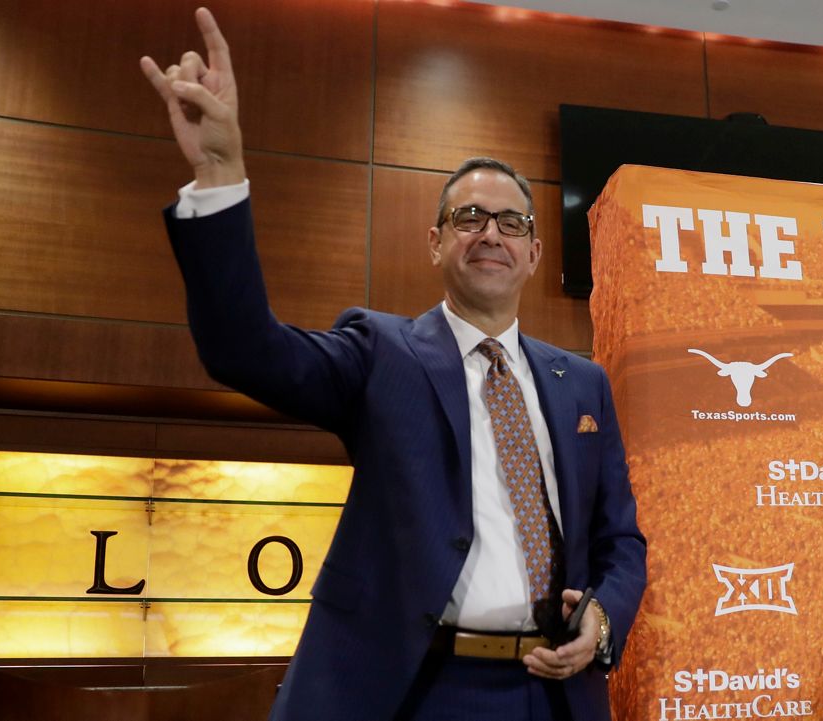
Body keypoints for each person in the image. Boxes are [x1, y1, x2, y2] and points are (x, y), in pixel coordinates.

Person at [139, 8, 646, 721]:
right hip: (417, 691)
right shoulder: (382, 354)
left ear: (535, 253)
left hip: (556, 695)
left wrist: (602, 618)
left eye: (511, 222)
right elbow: (245, 349)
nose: (490, 233)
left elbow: (621, 540)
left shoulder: (582, 381)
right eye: (468, 218)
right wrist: (221, 171)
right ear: (435, 243)